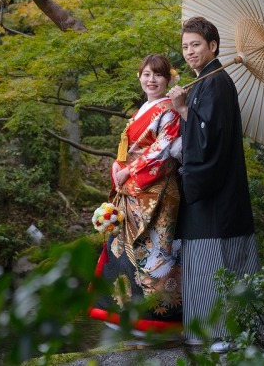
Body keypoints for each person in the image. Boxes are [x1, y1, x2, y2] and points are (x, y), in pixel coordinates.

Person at [167, 17, 260, 353]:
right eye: (185, 46)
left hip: (216, 193)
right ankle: (219, 332)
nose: (189, 52)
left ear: (213, 46)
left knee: (217, 259)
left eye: (196, 45)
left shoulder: (217, 82)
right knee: (213, 260)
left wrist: (181, 109)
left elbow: (209, 139)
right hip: (218, 192)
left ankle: (222, 333)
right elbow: (204, 129)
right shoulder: (207, 82)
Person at [89, 54, 183, 346]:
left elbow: (163, 149)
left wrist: (129, 170)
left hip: (156, 192)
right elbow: (127, 148)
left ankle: (161, 324)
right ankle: (128, 318)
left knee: (154, 256)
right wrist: (119, 166)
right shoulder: (143, 109)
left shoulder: (169, 110)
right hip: (131, 192)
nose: (151, 80)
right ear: (139, 77)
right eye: (146, 74)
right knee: (122, 251)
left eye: (157, 75)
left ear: (168, 79)